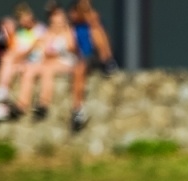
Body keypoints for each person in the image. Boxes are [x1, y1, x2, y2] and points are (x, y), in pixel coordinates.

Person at [17, 4, 76, 121]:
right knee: (29, 70)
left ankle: (43, 104)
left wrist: (53, 53)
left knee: (47, 70)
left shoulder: (69, 32)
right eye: (55, 22)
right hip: (48, 62)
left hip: (65, 62)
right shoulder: (48, 33)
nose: (57, 24)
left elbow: (70, 48)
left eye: (59, 22)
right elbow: (43, 51)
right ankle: (21, 104)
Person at [68, 0, 115, 132]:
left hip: (93, 56)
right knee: (79, 69)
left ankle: (107, 60)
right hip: (79, 59)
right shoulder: (72, 27)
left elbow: (91, 17)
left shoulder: (93, 24)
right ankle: (78, 109)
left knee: (96, 30)